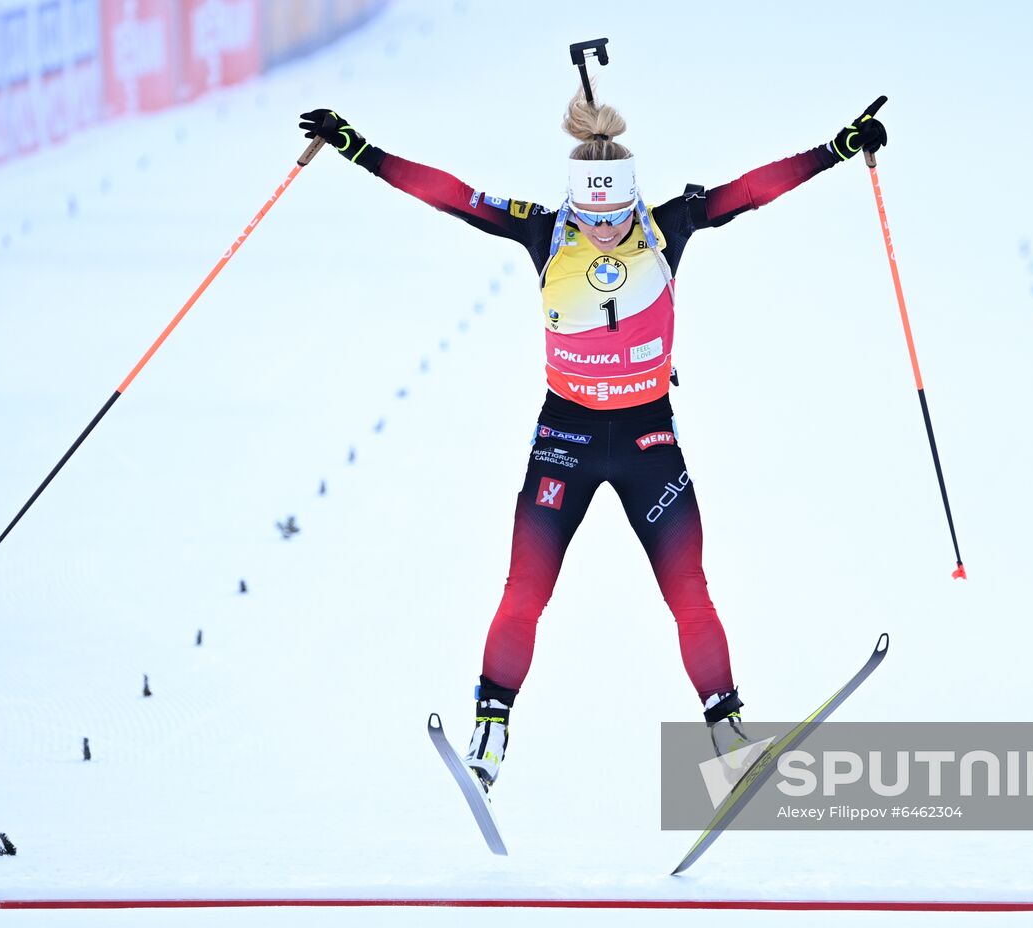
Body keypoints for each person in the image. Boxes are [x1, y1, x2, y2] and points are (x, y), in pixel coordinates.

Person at [298, 89, 886, 792]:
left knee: (689, 591)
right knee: (525, 589)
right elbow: (451, 196)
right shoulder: (545, 230)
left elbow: (751, 190)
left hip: (647, 439)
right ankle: (490, 729)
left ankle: (727, 733)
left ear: (633, 202)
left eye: (615, 218)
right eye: (591, 218)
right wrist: (360, 149)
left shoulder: (668, 226)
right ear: (572, 203)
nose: (604, 231)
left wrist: (836, 150)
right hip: (566, 438)